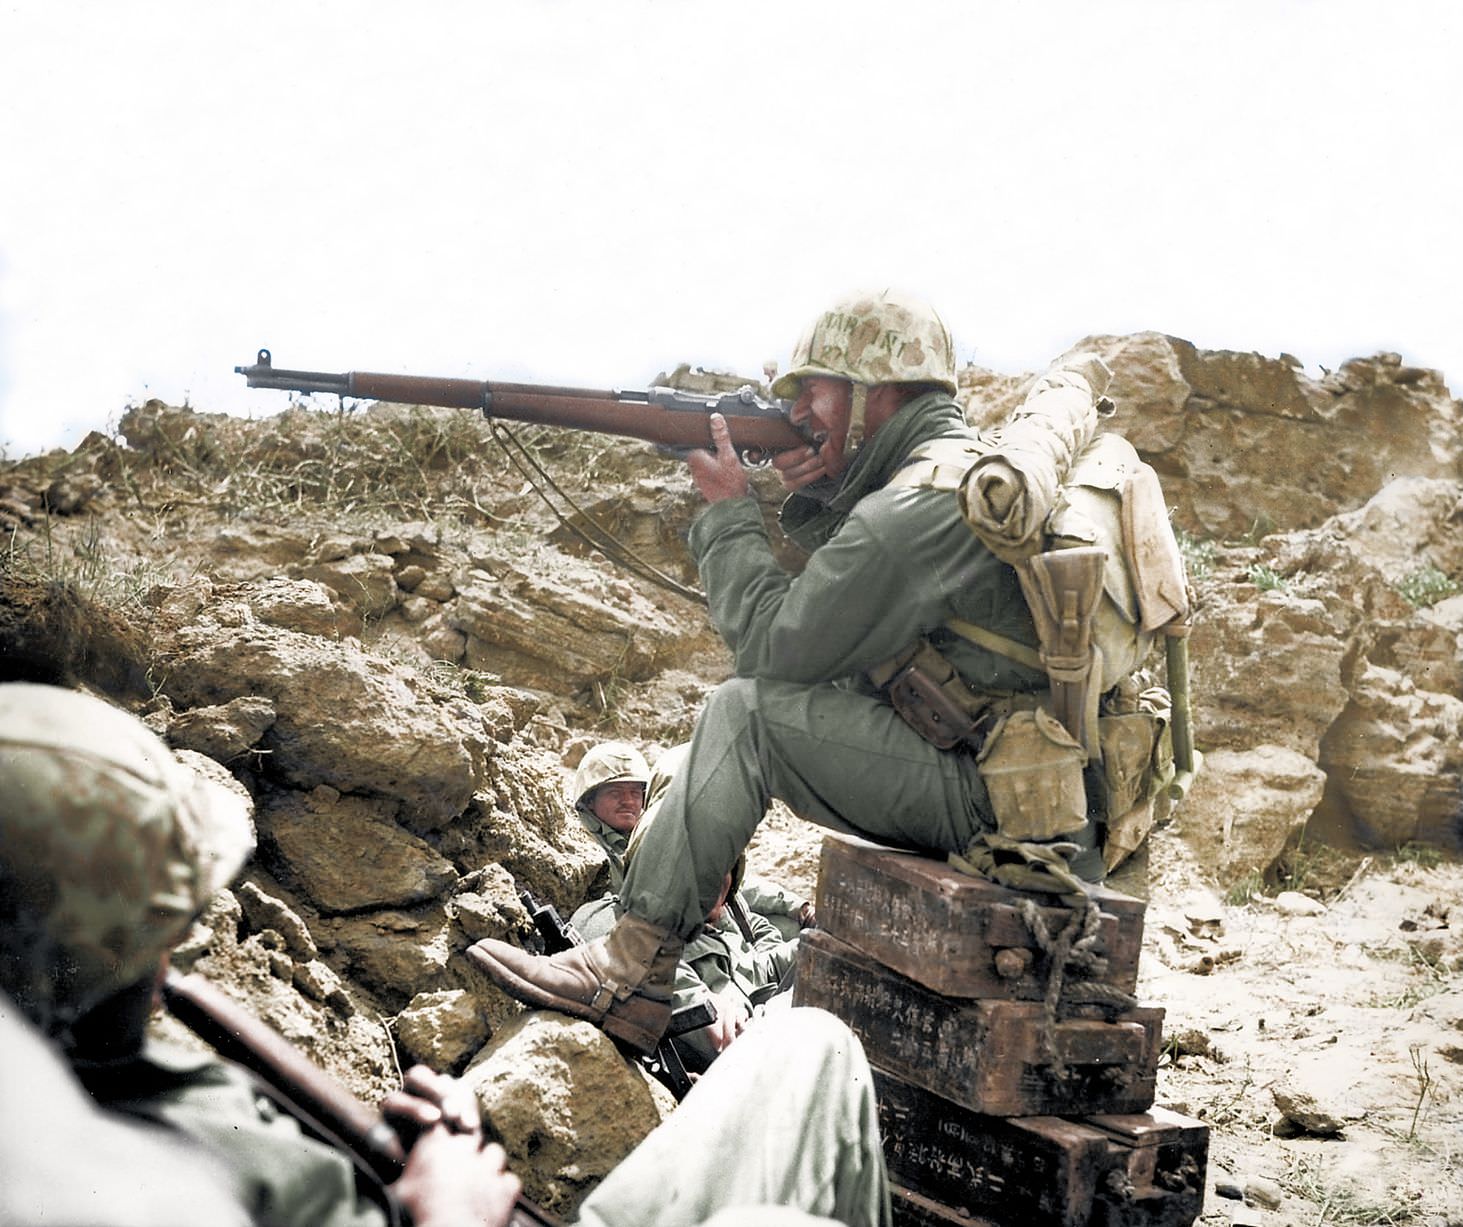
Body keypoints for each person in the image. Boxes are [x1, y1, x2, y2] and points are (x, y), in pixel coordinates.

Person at [470, 290, 1110, 1055]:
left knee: (746, 714)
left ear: (877, 391)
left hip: (998, 803)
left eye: (814, 390)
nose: (799, 410)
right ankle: (635, 964)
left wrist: (727, 508)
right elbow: (837, 616)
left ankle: (631, 968)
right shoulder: (941, 480)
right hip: (1022, 787)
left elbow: (774, 651)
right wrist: (818, 489)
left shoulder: (910, 511)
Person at [0, 682, 890, 1227]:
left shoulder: (106, 1067)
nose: (187, 932)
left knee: (813, 1047)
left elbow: (776, 938)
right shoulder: (66, 1171)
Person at [574, 739, 815, 938]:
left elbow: (732, 885)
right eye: (615, 793)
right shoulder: (586, 847)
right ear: (590, 800)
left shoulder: (656, 830)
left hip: (704, 922)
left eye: (635, 793)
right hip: (661, 936)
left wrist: (797, 907)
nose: (628, 801)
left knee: (790, 926)